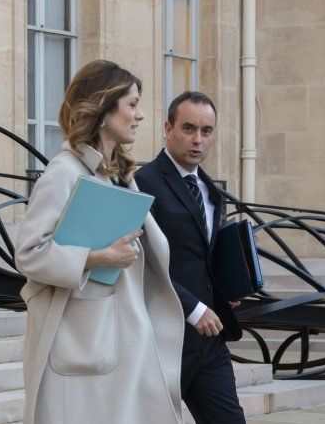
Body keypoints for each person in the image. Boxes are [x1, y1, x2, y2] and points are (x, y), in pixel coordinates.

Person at [13, 60, 185, 424]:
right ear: (104, 109)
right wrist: (96, 257)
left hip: (124, 337)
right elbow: (28, 253)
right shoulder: (64, 172)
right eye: (132, 104)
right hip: (86, 339)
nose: (140, 115)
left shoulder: (119, 175)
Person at [135, 91, 245, 423]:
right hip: (163, 337)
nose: (198, 139)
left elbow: (200, 257)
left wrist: (226, 290)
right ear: (168, 128)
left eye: (206, 131)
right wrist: (193, 309)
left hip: (209, 340)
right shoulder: (142, 182)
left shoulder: (210, 189)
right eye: (188, 128)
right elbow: (142, 263)